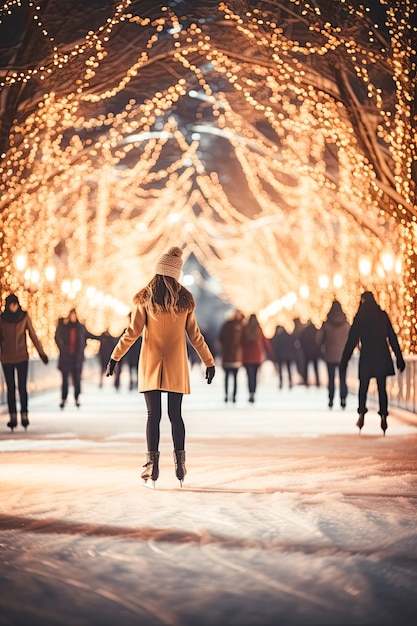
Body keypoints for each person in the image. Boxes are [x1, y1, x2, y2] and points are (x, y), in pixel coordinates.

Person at [106, 246, 215, 488]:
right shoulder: (185, 301)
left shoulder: (145, 299)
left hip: (151, 363)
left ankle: (151, 467)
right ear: (175, 274)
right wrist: (209, 361)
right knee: (175, 415)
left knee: (152, 416)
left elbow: (132, 333)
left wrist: (115, 357)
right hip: (176, 364)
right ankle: (180, 464)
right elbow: (195, 336)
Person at [339, 291, 405, 435]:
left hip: (367, 355)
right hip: (381, 355)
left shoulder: (360, 317)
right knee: (382, 388)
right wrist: (399, 357)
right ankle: (383, 415)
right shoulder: (382, 315)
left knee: (363, 387)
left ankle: (362, 414)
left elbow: (352, 341)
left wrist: (344, 361)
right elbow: (392, 337)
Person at [0, 294, 48, 431]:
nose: (13, 306)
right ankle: (13, 417)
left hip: (22, 357)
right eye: (11, 304)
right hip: (7, 358)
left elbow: (33, 335)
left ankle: (24, 415)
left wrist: (42, 354)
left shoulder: (24, 317)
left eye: (15, 304)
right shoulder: (2, 319)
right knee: (10, 387)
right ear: (7, 305)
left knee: (22, 387)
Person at [54, 308, 100, 409]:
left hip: (76, 358)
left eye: (74, 315)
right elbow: (57, 336)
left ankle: (76, 397)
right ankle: (64, 398)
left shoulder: (80, 327)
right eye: (71, 315)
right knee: (65, 380)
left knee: (77, 379)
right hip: (66, 358)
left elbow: (89, 335)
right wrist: (63, 348)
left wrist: (100, 337)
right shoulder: (64, 326)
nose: (72, 317)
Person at [317, 300, 350, 409]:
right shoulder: (346, 324)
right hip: (343, 356)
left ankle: (331, 399)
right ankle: (343, 399)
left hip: (330, 354)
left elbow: (319, 340)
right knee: (343, 378)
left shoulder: (327, 324)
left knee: (331, 378)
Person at [241, 313, 273, 403]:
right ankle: (253, 393)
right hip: (256, 357)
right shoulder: (258, 329)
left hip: (246, 357)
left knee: (249, 376)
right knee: (254, 376)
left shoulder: (245, 329)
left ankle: (250, 392)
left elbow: (240, 342)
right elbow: (265, 342)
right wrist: (270, 352)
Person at [218, 309, 244, 403]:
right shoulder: (241, 326)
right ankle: (233, 396)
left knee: (227, 377)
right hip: (236, 356)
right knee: (235, 377)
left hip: (227, 355)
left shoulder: (226, 325)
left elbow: (220, 338)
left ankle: (226, 395)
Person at [270, 324, 297, 389]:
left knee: (281, 370)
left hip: (280, 356)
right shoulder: (288, 336)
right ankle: (289, 381)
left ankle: (281, 381)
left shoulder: (278, 337)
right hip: (288, 355)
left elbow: (274, 345)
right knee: (288, 369)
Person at [298, 319, 321, 387]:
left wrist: (304, 349)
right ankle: (317, 381)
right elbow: (320, 340)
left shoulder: (304, 331)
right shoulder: (316, 331)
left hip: (307, 352)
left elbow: (301, 340)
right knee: (316, 368)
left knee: (306, 367)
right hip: (315, 352)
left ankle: (306, 381)